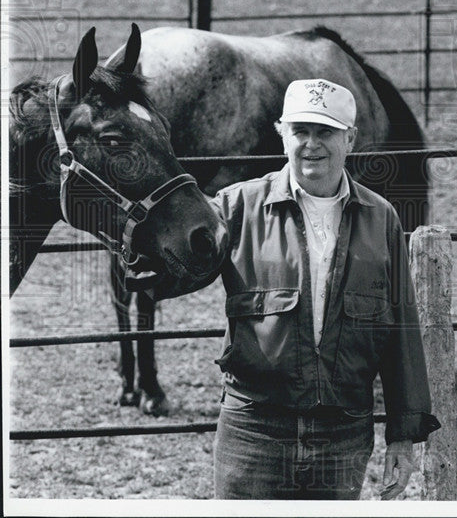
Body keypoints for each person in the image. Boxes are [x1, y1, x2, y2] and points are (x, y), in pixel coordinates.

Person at [142, 78, 440, 499]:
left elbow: (401, 333)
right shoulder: (236, 207)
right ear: (282, 134)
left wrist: (403, 434)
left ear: (350, 138)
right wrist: (142, 247)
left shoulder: (381, 217)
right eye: (300, 131)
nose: (311, 144)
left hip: (343, 433)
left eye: (326, 132)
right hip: (254, 429)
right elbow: (173, 273)